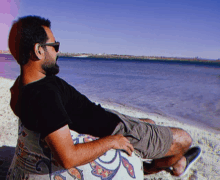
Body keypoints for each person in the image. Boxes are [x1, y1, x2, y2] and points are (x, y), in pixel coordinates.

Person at [8, 15, 201, 178]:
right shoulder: (44, 95)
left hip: (105, 118)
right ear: (38, 50)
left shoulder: (23, 85)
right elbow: (67, 157)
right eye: (55, 46)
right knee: (184, 139)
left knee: (149, 121)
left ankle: (173, 161)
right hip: (113, 129)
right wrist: (112, 141)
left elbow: (28, 109)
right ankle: (170, 167)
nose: (58, 51)